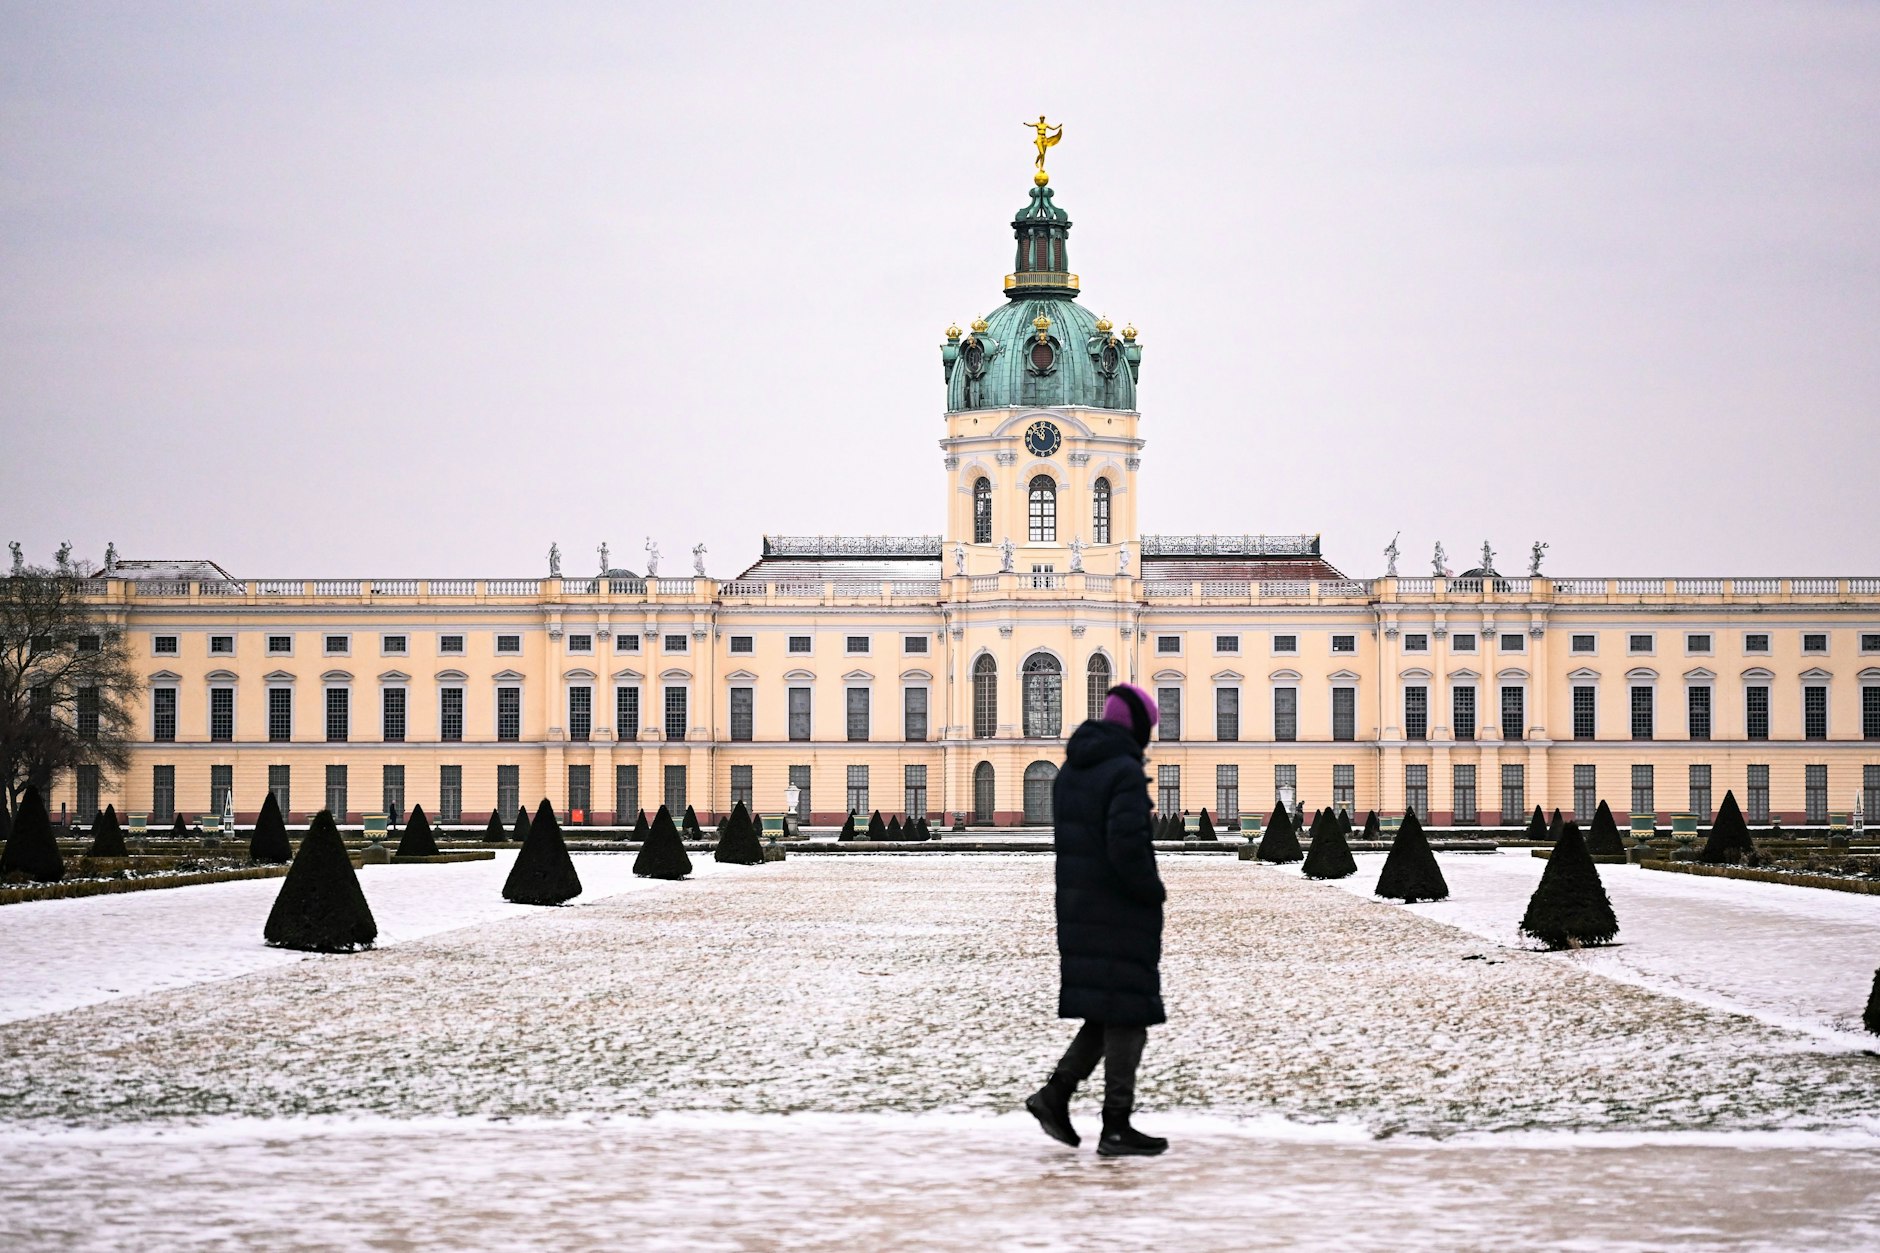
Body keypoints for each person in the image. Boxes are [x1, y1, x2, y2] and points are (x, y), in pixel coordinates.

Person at [1024, 682, 1169, 1156]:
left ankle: (1054, 1095)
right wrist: (1151, 892)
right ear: (1137, 727)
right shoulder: (1122, 771)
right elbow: (1127, 847)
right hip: (1117, 911)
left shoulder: (1072, 771)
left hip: (1082, 909)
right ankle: (1115, 1126)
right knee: (1129, 1014)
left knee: (1107, 1010)